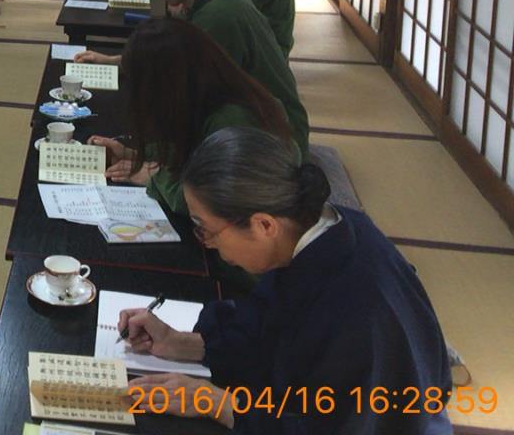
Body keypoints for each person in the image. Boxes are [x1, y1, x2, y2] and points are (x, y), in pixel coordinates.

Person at [121, 127, 451, 433]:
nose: (205, 241)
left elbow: (330, 425)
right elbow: (267, 328)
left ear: (264, 225)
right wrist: (184, 344)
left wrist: (219, 403)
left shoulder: (358, 312)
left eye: (205, 229)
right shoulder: (317, 236)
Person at [76, 0, 308, 158]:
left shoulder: (218, 18)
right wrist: (117, 61)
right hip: (262, 124)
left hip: (275, 141)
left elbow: (193, 105)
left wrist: (144, 158)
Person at [88, 19, 294, 217]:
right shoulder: (208, 92)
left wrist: (154, 177)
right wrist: (134, 154)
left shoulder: (231, 120)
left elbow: (210, 202)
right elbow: (193, 151)